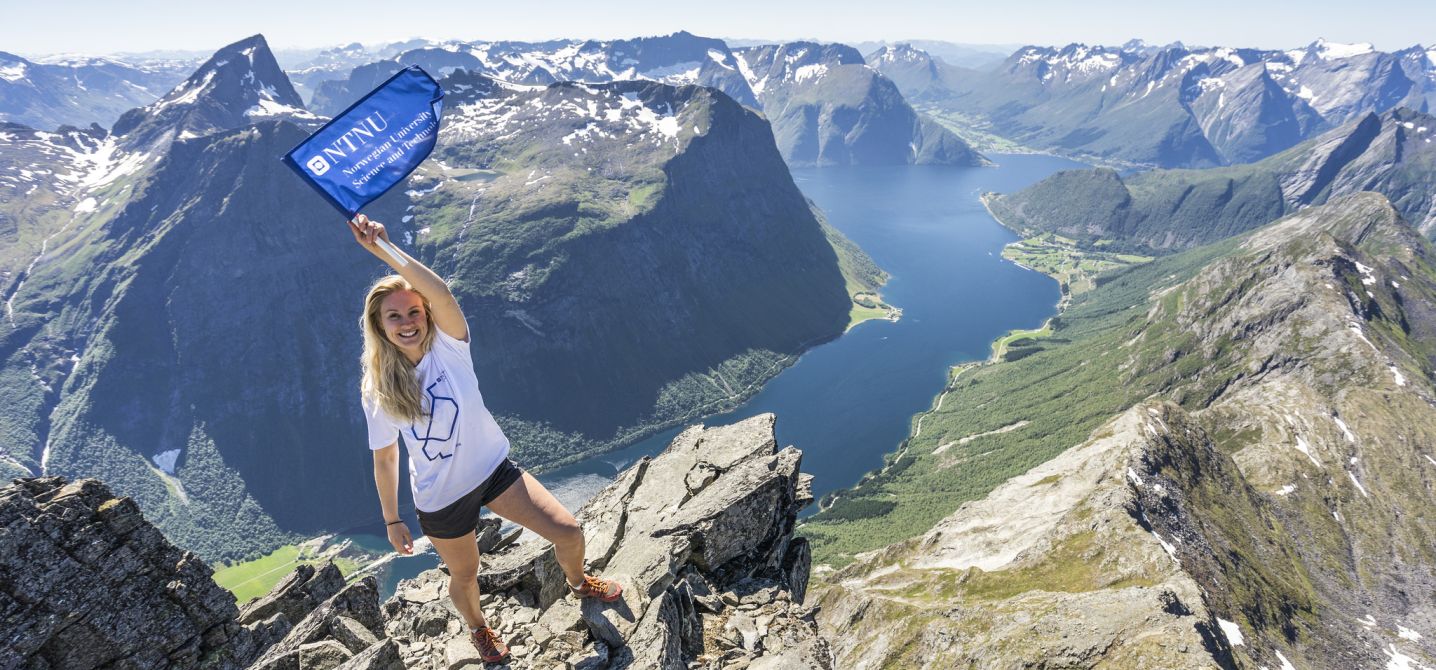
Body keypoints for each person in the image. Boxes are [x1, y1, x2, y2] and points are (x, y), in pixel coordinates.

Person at [350, 214, 621, 663]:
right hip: (442, 497)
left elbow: (441, 293)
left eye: (414, 311)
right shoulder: (377, 389)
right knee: (466, 575)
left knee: (568, 532)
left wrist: (385, 249)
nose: (407, 322)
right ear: (379, 326)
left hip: (493, 470)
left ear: (427, 314)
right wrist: (392, 519)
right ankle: (479, 628)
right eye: (393, 316)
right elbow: (385, 459)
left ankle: (578, 583)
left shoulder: (450, 346)